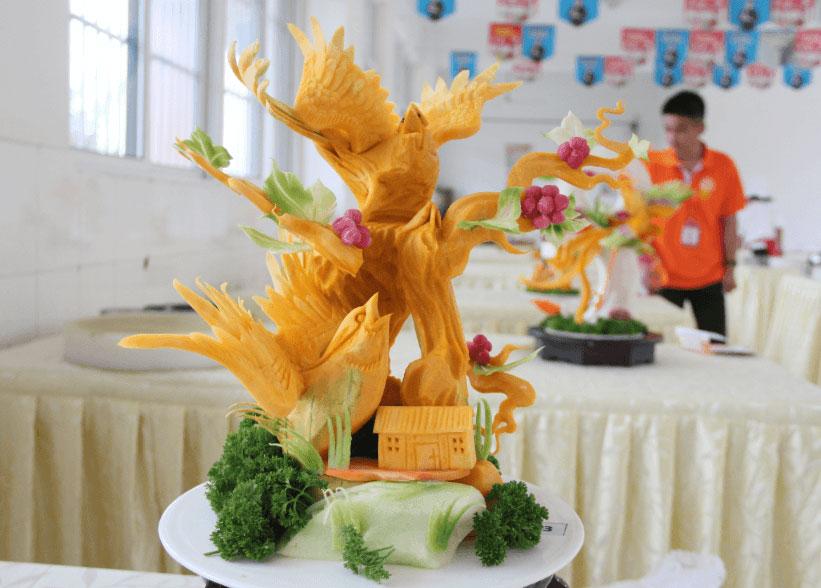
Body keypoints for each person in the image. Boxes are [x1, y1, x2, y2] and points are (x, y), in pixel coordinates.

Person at [642, 91, 745, 336]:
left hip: (709, 276)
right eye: (667, 129)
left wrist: (730, 266)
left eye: (681, 130)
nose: (672, 137)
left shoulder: (723, 166)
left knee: (714, 345)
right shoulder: (652, 164)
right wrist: (645, 266)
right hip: (663, 276)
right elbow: (637, 221)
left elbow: (729, 220)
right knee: (661, 346)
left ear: (700, 128)